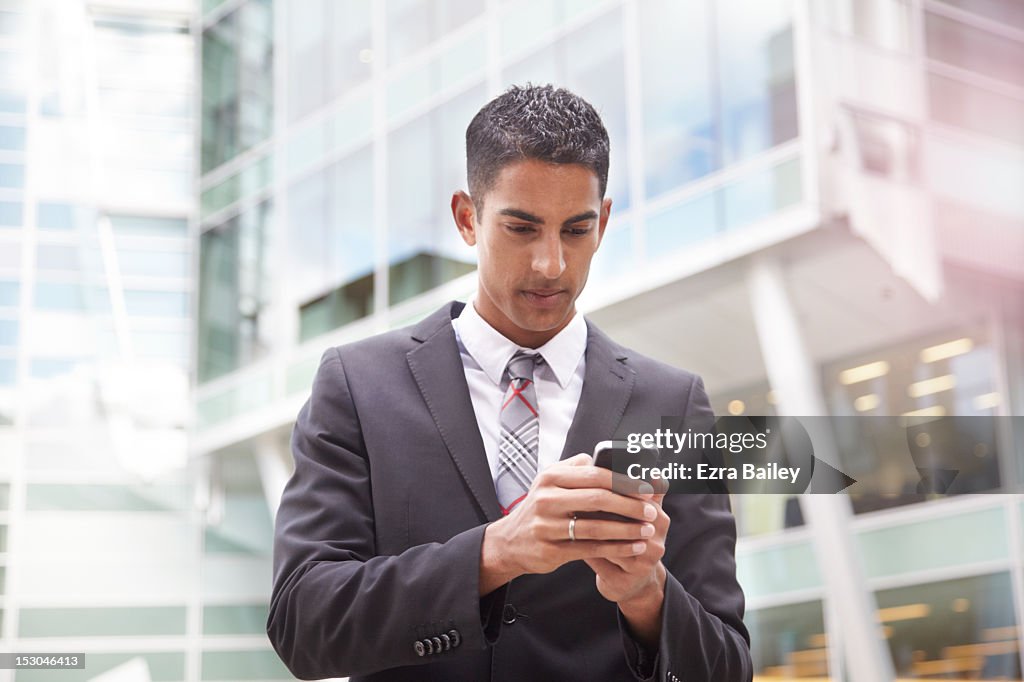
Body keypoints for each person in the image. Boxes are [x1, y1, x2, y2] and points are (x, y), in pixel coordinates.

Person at [268, 84, 752, 681]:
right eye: (522, 228)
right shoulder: (358, 386)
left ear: (603, 222)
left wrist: (648, 596)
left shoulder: (673, 405)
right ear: (467, 218)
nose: (551, 264)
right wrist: (494, 553)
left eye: (575, 231)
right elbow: (303, 623)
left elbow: (729, 669)